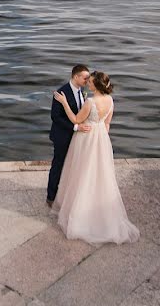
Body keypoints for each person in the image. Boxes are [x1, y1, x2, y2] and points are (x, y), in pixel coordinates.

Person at [53, 71, 139, 244]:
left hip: (86, 138)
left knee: (82, 172)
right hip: (101, 139)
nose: (88, 84)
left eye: (91, 82)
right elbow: (107, 124)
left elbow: (76, 119)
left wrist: (64, 103)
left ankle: (79, 215)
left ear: (97, 85)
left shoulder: (90, 102)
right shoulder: (110, 101)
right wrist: (101, 139)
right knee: (100, 174)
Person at [46, 65, 92, 208]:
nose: (88, 80)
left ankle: (67, 193)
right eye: (85, 78)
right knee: (58, 165)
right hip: (62, 136)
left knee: (73, 166)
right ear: (76, 76)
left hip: (78, 137)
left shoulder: (81, 91)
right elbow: (55, 117)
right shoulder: (61, 93)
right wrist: (75, 127)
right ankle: (51, 196)